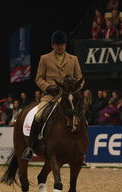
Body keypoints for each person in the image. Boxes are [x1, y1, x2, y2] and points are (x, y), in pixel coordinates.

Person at [22, 30, 83, 160]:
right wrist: (48, 87)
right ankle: (30, 147)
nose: (60, 47)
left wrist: (74, 87)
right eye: (57, 45)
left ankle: (80, 151)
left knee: (81, 118)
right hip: (50, 96)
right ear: (52, 45)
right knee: (38, 116)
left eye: (62, 44)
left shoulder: (73, 59)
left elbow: (80, 77)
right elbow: (38, 79)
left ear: (65, 45)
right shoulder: (44, 58)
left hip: (68, 97)